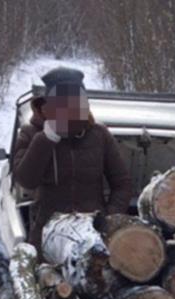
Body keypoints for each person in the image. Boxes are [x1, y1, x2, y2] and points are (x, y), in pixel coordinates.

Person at [12, 67, 132, 250]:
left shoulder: (99, 135)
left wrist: (108, 219)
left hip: (92, 235)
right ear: (48, 105)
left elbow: (122, 183)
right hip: (47, 235)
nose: (69, 110)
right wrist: (47, 138)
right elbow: (26, 180)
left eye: (76, 104)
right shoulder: (32, 133)